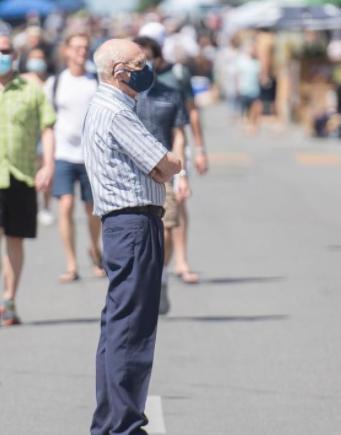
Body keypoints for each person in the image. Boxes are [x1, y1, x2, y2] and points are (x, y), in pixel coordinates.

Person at [84, 38, 182, 435]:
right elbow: (164, 162)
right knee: (131, 329)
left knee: (118, 326)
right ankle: (123, 424)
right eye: (139, 63)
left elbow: (158, 167)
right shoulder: (115, 110)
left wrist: (162, 168)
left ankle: (111, 421)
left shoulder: (108, 106)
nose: (147, 68)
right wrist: (169, 164)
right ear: (119, 71)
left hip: (125, 223)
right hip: (134, 223)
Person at [139, 22, 209, 284]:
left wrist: (198, 151)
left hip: (168, 159)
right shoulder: (128, 88)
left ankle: (176, 261)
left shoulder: (176, 76)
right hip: (137, 166)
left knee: (176, 208)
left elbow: (189, 115)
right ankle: (153, 271)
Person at [0, 34, 56, 326]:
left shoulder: (32, 90)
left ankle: (9, 300)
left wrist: (47, 165)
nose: (2, 55)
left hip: (21, 173)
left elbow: (47, 127)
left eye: (6, 50)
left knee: (15, 240)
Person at [133, 36, 191, 315]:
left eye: (147, 60)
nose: (143, 66)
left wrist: (183, 175)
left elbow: (180, 134)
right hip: (130, 174)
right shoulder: (123, 98)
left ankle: (162, 275)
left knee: (167, 232)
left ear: (157, 61)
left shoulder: (171, 94)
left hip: (165, 172)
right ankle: (141, 280)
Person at [45, 33, 103, 282]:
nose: (81, 51)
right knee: (65, 205)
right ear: (66, 51)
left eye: (85, 47)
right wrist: (46, 160)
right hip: (63, 155)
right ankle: (71, 263)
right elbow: (47, 122)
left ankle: (94, 249)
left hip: (91, 156)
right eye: (76, 47)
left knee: (93, 210)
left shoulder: (96, 81)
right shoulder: (56, 82)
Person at [21, 46, 55, 227]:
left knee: (45, 169)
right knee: (30, 171)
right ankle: (31, 204)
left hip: (46, 132)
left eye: (40, 57)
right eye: (33, 57)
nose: (37, 61)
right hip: (27, 132)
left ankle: (46, 206)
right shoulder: (21, 81)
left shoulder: (52, 81)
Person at [236, 44, 263, 135]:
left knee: (254, 107)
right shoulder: (243, 62)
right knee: (246, 108)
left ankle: (252, 124)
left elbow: (259, 76)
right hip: (244, 88)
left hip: (254, 89)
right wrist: (237, 87)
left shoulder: (257, 63)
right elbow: (238, 75)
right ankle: (248, 123)